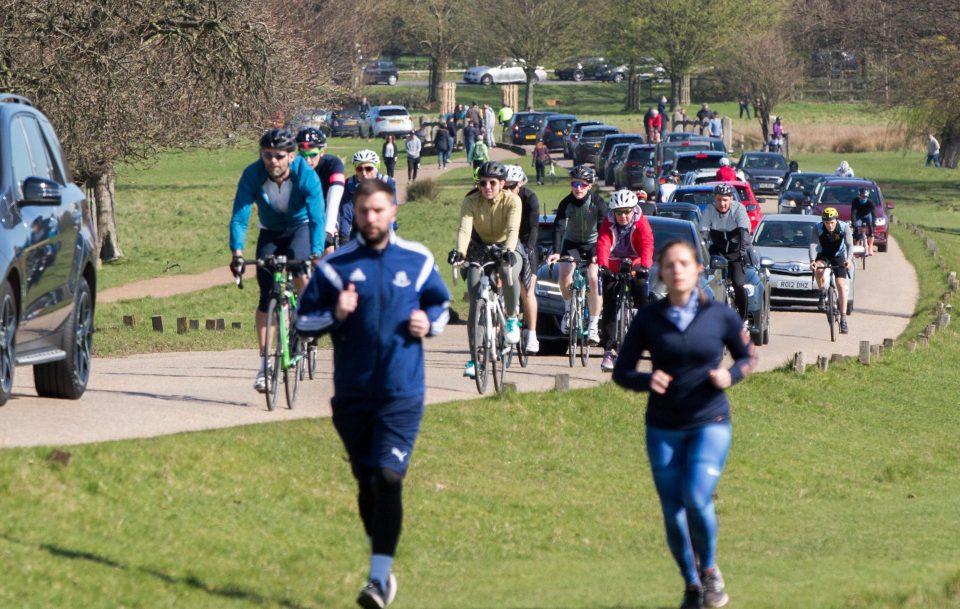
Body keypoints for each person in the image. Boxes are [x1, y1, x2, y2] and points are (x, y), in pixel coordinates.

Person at [296, 179, 450, 609]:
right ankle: (381, 558)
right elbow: (302, 322)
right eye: (364, 210)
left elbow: (440, 304)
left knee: (388, 477)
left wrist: (429, 322)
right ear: (356, 213)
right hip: (352, 395)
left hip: (402, 393)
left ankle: (378, 581)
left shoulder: (417, 260)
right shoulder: (335, 266)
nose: (371, 218)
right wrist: (336, 313)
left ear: (394, 211)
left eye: (379, 210)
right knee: (367, 484)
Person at [612, 238, 756, 609]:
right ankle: (691, 586)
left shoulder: (720, 315)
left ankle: (709, 572)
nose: (677, 270)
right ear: (661, 271)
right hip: (662, 425)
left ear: (698, 270)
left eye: (684, 263)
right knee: (673, 511)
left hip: (710, 420)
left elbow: (747, 357)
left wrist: (731, 375)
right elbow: (622, 371)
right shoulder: (649, 318)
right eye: (670, 264)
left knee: (695, 496)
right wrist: (648, 380)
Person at [228, 128, 325, 391]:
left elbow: (317, 217)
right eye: (267, 155)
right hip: (269, 231)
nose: (272, 161)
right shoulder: (253, 174)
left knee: (299, 268)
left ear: (291, 156)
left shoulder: (306, 175)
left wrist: (316, 253)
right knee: (266, 293)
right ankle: (264, 365)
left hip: (300, 227)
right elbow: (240, 215)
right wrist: (237, 253)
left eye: (279, 155)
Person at [448, 161, 523, 378]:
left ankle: (511, 318)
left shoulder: (513, 200)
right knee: (474, 299)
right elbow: (464, 229)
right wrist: (460, 253)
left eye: (492, 183)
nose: (487, 187)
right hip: (480, 247)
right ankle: (474, 358)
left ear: (502, 184)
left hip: (506, 245)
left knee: (510, 274)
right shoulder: (471, 201)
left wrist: (508, 251)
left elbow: (513, 229)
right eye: (483, 183)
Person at [545, 165, 607, 345]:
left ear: (589, 185)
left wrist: (600, 253)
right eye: (574, 184)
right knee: (564, 274)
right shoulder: (566, 203)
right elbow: (559, 227)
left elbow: (604, 230)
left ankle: (594, 325)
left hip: (593, 244)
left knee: (594, 279)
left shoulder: (598, 202)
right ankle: (568, 310)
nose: (578, 188)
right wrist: (556, 252)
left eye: (582, 184)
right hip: (572, 243)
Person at [596, 189, 654, 371]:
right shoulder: (608, 222)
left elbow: (647, 243)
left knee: (640, 292)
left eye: (627, 211)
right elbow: (603, 243)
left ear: (633, 209)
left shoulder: (641, 221)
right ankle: (608, 350)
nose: (623, 216)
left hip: (635, 261)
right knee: (610, 304)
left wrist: (645, 266)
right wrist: (603, 266)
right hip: (613, 262)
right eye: (618, 212)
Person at [504, 165, 541, 353]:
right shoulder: (500, 198)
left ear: (520, 184)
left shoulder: (530, 198)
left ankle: (532, 335)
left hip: (526, 240)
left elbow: (534, 228)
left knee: (528, 290)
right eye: (505, 186)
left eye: (512, 187)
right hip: (506, 241)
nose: (508, 190)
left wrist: (529, 249)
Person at [701, 183, 751, 321]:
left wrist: (742, 252)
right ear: (714, 199)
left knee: (739, 284)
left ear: (731, 199)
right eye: (719, 200)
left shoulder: (739, 209)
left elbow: (744, 233)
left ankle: (742, 318)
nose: (722, 204)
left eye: (725, 200)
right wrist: (702, 253)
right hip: (718, 251)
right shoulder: (709, 210)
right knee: (712, 282)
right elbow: (703, 235)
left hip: (736, 252)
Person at [295, 128, 346, 254]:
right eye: (303, 155)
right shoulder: (294, 166)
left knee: (328, 248)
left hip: (326, 208)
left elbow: (333, 199)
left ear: (322, 151)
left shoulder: (333, 164)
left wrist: (328, 231)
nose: (307, 161)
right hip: (302, 211)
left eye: (312, 155)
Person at [336, 150, 399, 246]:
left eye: (368, 168)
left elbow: (390, 210)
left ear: (377, 167)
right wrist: (344, 239)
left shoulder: (387, 182)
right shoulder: (349, 185)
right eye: (359, 169)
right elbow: (345, 213)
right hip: (358, 231)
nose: (364, 173)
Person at [811, 207, 853, 333]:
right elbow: (812, 245)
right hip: (824, 255)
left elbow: (849, 245)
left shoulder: (843, 227)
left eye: (832, 222)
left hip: (838, 256)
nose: (830, 225)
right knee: (818, 270)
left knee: (840, 284)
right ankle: (822, 293)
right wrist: (812, 260)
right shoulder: (817, 228)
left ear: (836, 221)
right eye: (827, 223)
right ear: (823, 222)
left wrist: (849, 260)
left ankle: (844, 318)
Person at [850, 187, 875, 256]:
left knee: (871, 228)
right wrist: (853, 222)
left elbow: (873, 214)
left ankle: (870, 247)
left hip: (867, 214)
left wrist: (873, 223)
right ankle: (857, 245)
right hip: (858, 215)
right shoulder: (855, 201)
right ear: (859, 196)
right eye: (862, 196)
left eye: (866, 196)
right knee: (856, 228)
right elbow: (853, 213)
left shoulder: (870, 202)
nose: (864, 198)